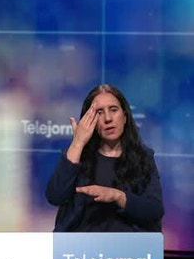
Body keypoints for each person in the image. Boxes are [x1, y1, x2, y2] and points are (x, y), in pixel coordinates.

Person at [45, 84, 164, 232]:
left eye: (113, 110)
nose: (108, 118)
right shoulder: (78, 156)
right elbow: (55, 196)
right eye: (99, 113)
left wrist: (118, 196)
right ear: (90, 121)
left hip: (128, 245)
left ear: (125, 116)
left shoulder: (143, 158)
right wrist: (77, 143)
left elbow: (155, 210)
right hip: (82, 244)